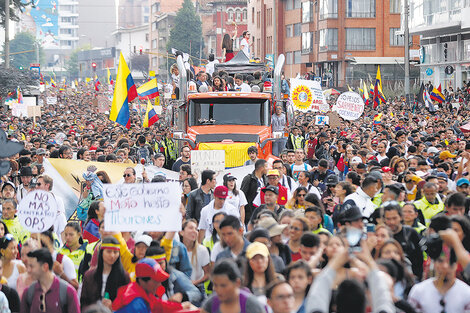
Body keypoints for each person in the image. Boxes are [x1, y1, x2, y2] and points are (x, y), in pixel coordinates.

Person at [112, 258, 186, 313]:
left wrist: (182, 306)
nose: (159, 284)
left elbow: (158, 305)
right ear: (143, 281)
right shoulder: (136, 304)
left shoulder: (141, 291)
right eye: (156, 281)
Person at [20, 248, 80, 313]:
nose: (28, 270)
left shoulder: (68, 292)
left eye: (32, 266)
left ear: (45, 267)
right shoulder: (28, 292)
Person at [80, 237, 130, 311]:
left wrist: (113, 306)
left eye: (115, 252)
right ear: (101, 252)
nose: (112, 255)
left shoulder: (123, 277)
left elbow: (127, 302)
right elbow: (83, 301)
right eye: (109, 251)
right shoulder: (89, 276)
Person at [201, 259, 265, 313]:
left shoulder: (252, 305)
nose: (219, 290)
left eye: (223, 285)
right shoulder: (210, 304)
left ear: (237, 283)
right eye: (215, 285)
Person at [382, 202, 423, 279]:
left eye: (394, 218)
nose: (391, 222)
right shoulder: (381, 235)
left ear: (401, 217)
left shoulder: (411, 233)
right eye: (388, 219)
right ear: (384, 219)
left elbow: (419, 258)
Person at [179, 219, 210, 297]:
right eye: (191, 228)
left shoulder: (202, 250)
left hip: (198, 289)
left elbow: (208, 273)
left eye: (196, 229)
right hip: (179, 290)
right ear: (181, 232)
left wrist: (195, 282)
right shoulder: (176, 250)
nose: (194, 231)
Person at [241, 159, 268, 225]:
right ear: (261, 168)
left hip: (262, 213)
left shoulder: (265, 179)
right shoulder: (249, 179)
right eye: (266, 167)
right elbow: (242, 196)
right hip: (250, 214)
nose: (268, 169)